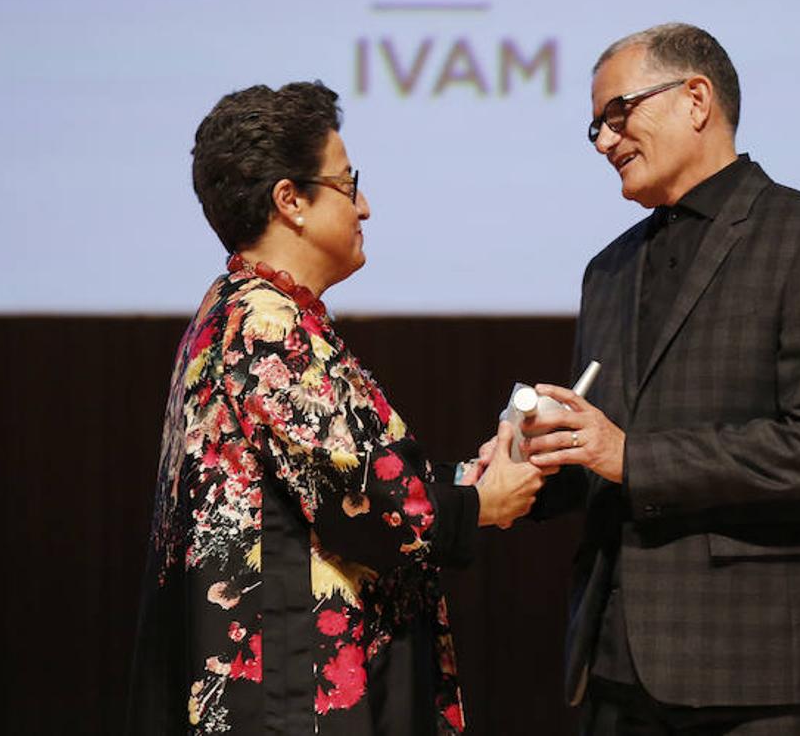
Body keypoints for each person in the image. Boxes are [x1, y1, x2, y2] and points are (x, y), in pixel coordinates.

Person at [126, 81, 543, 735]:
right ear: (290, 201)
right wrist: (482, 504)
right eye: (348, 185)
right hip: (286, 693)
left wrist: (464, 483)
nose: (366, 207)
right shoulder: (263, 323)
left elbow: (333, 476)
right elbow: (365, 505)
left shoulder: (243, 308)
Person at [521, 24, 800, 734]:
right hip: (615, 667)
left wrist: (631, 457)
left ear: (695, 99)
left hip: (757, 672)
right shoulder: (609, 268)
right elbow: (601, 454)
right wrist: (524, 465)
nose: (603, 142)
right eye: (595, 126)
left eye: (617, 116)